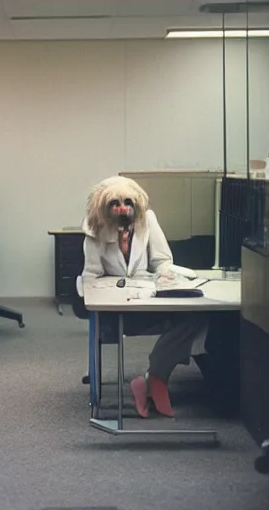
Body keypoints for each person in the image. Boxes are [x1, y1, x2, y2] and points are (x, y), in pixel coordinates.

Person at [81, 175, 208, 419]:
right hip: (115, 307)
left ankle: (156, 377)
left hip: (148, 296)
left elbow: (162, 260)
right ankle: (154, 382)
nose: (122, 208)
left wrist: (164, 275)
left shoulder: (147, 220)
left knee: (194, 316)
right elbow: (91, 275)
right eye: (114, 203)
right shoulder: (95, 225)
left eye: (128, 202)